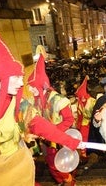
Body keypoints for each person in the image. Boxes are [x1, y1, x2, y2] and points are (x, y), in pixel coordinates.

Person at [0, 22, 82, 186]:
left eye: (21, 78)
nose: (21, 83)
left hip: (19, 165)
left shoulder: (23, 103)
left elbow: (38, 124)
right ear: (1, 80)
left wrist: (67, 140)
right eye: (16, 78)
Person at [27, 51, 77, 186]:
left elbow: (69, 120)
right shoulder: (35, 100)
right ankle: (63, 182)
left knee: (59, 165)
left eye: (32, 87)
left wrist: (52, 131)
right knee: (51, 164)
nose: (30, 90)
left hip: (59, 139)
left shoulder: (59, 100)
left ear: (41, 84)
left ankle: (70, 182)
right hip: (46, 141)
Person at [75, 75, 96, 163]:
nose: (81, 98)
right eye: (79, 97)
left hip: (92, 123)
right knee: (83, 137)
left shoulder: (92, 101)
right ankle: (84, 154)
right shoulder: (79, 102)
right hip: (83, 124)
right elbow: (79, 115)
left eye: (82, 96)